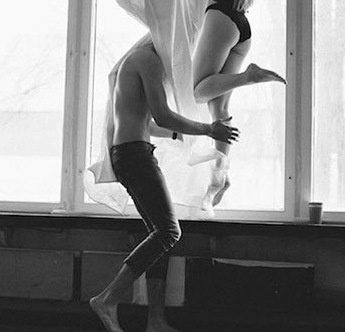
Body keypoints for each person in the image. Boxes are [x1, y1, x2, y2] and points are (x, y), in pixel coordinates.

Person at [146, 0, 286, 214]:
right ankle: (220, 177)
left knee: (198, 91)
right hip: (239, 28)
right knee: (219, 110)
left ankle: (248, 77)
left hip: (222, 18)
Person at [89, 40, 239, 332]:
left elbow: (145, 121)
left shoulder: (135, 60)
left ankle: (155, 321)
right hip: (135, 154)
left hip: (129, 152)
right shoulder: (148, 59)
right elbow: (162, 114)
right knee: (169, 232)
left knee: (158, 235)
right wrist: (208, 129)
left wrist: (178, 136)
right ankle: (107, 299)